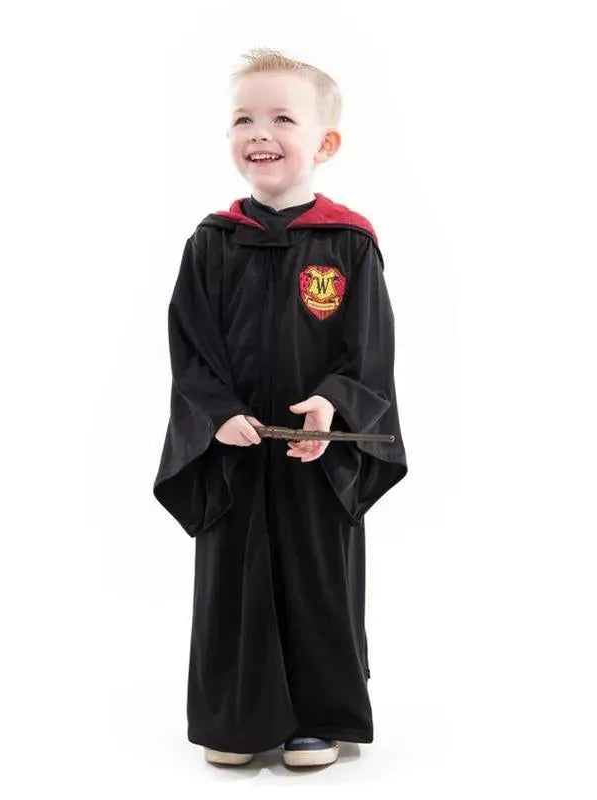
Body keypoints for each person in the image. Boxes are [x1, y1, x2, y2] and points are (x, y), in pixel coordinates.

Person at [153, 47, 408, 769]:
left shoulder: (347, 243)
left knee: (317, 581)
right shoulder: (212, 242)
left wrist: (332, 406)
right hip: (233, 451)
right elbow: (190, 349)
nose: (259, 132)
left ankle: (316, 718)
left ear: (325, 143)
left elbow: (369, 351)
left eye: (282, 118)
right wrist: (217, 414)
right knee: (233, 585)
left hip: (314, 458)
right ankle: (235, 721)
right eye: (244, 119)